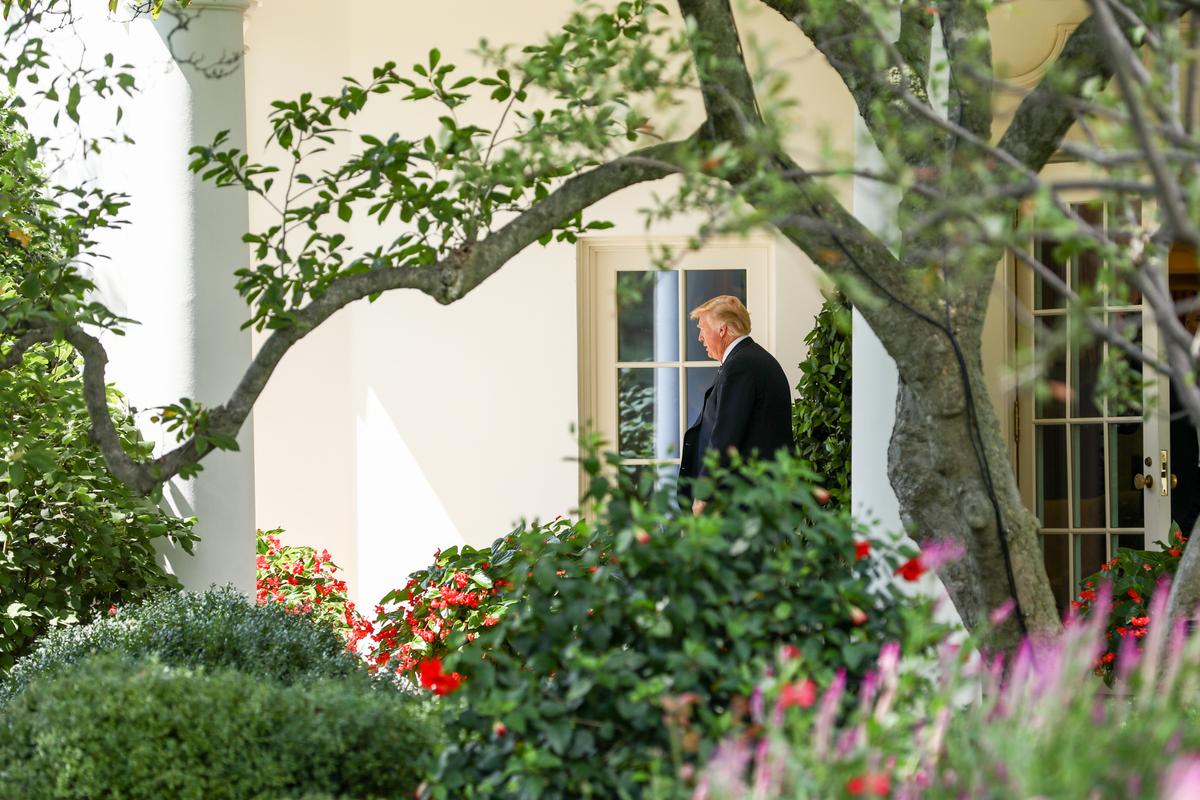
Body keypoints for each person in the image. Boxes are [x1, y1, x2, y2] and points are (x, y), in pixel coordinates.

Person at [678, 295, 794, 514]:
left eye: (702, 329)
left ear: (722, 330)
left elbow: (725, 436)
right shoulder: (752, 360)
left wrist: (703, 494)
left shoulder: (740, 366)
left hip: (744, 503)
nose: (700, 337)